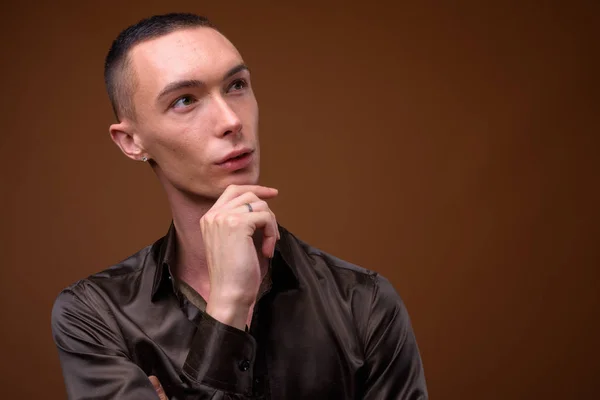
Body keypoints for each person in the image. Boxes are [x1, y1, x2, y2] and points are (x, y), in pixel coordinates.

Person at [51, 12, 428, 400]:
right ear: (131, 141)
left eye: (236, 85)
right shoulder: (95, 316)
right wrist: (228, 308)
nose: (231, 120)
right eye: (185, 100)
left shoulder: (363, 303)